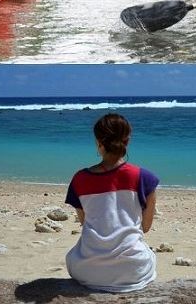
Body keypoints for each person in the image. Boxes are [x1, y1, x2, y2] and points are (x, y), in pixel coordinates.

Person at [65, 113, 159, 292]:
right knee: (150, 256)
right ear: (127, 141)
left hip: (88, 270)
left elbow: (86, 223)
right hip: (133, 271)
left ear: (99, 143)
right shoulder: (145, 178)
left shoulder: (80, 179)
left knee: (71, 257)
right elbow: (145, 227)